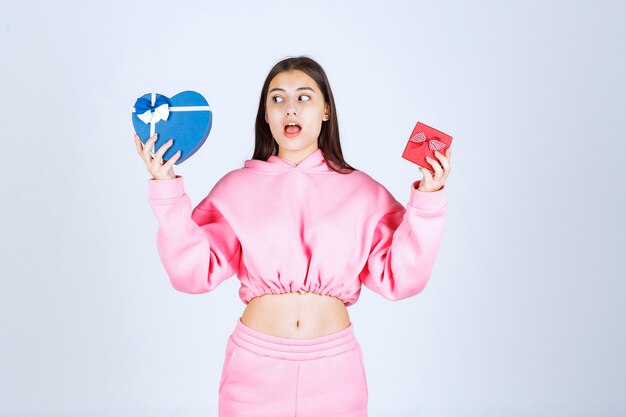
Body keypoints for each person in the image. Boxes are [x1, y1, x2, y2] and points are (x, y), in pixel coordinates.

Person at [134, 55, 451, 417]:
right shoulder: (235, 188)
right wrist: (166, 189)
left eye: (303, 98)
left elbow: (402, 278)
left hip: (334, 374)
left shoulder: (363, 191)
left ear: (326, 111)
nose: (290, 109)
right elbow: (192, 274)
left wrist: (427, 199)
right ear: (265, 115)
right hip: (253, 372)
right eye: (277, 99)